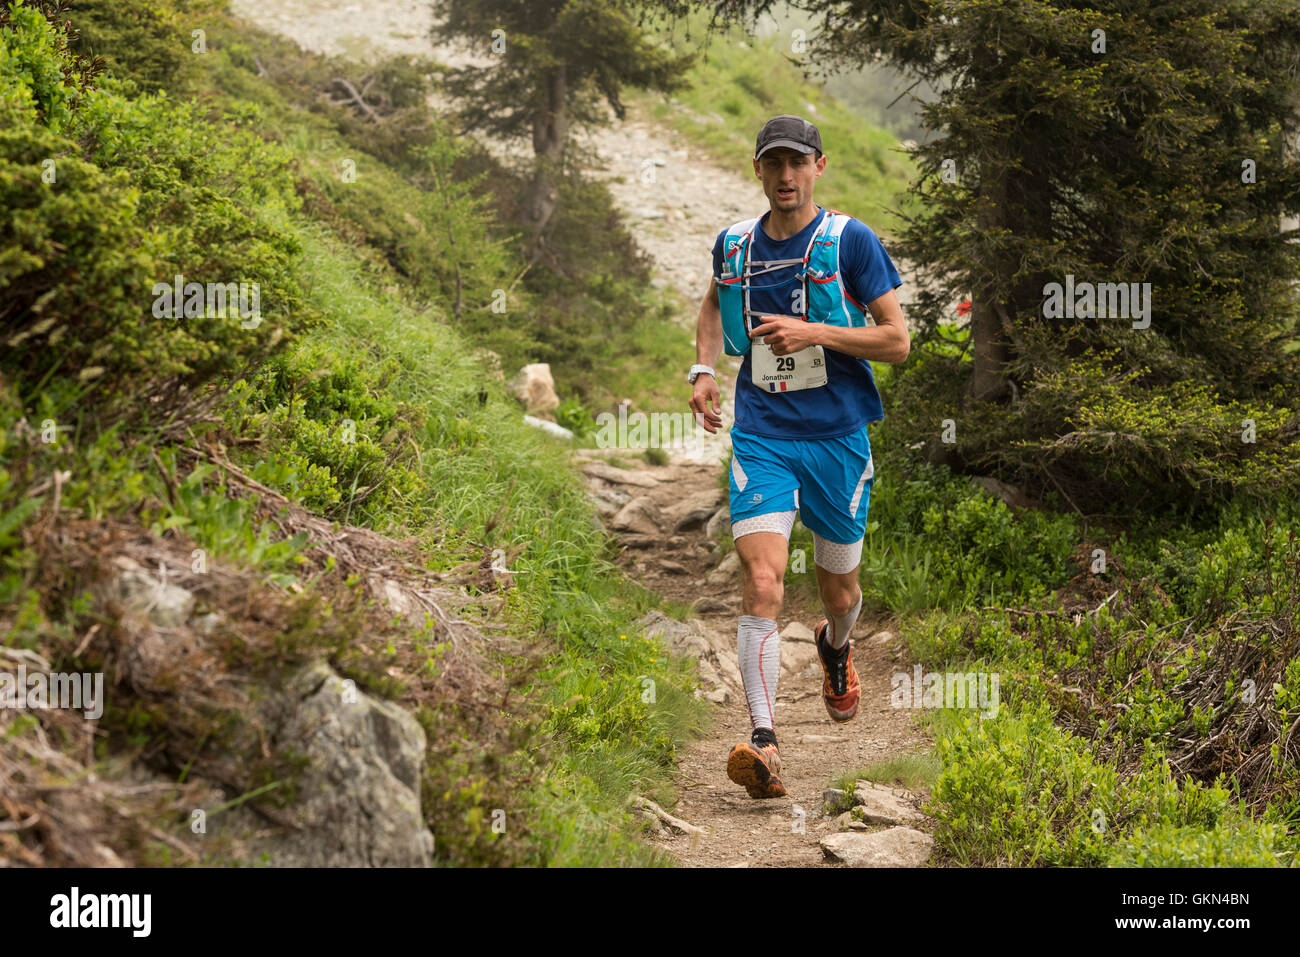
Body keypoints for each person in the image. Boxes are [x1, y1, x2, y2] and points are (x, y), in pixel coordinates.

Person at [687, 114, 909, 799]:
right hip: (762, 434)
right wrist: (700, 371)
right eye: (773, 163)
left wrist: (812, 330)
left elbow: (897, 340)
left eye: (798, 162)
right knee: (762, 579)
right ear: (759, 169)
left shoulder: (850, 241)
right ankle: (763, 740)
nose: (786, 175)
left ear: (819, 166)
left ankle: (836, 646)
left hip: (839, 436)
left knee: (839, 592)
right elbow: (709, 309)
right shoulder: (735, 247)